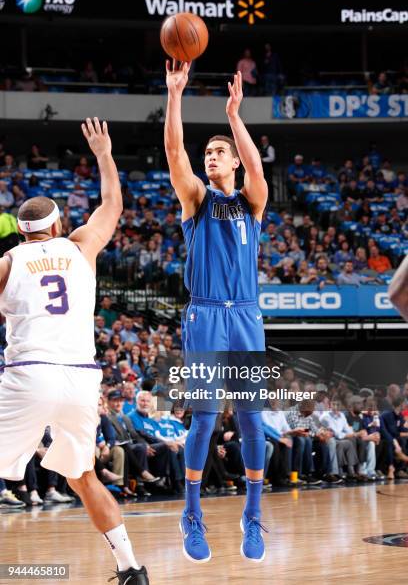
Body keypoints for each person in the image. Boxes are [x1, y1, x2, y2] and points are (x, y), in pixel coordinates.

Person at [0, 118, 149, 585]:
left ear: (22, 232)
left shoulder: (8, 262)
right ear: (58, 224)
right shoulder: (82, 245)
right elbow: (112, 204)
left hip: (30, 373)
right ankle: (131, 569)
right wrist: (104, 154)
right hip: (81, 379)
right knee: (83, 477)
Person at [164, 62, 268, 563]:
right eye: (207, 153)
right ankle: (192, 515)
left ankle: (252, 517)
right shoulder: (197, 200)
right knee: (203, 420)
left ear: (233, 162)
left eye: (218, 152)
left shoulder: (252, 201)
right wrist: (175, 95)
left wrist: (234, 117)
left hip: (246, 316)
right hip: (205, 315)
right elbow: (173, 153)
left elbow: (257, 167)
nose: (210, 157)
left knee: (252, 420)